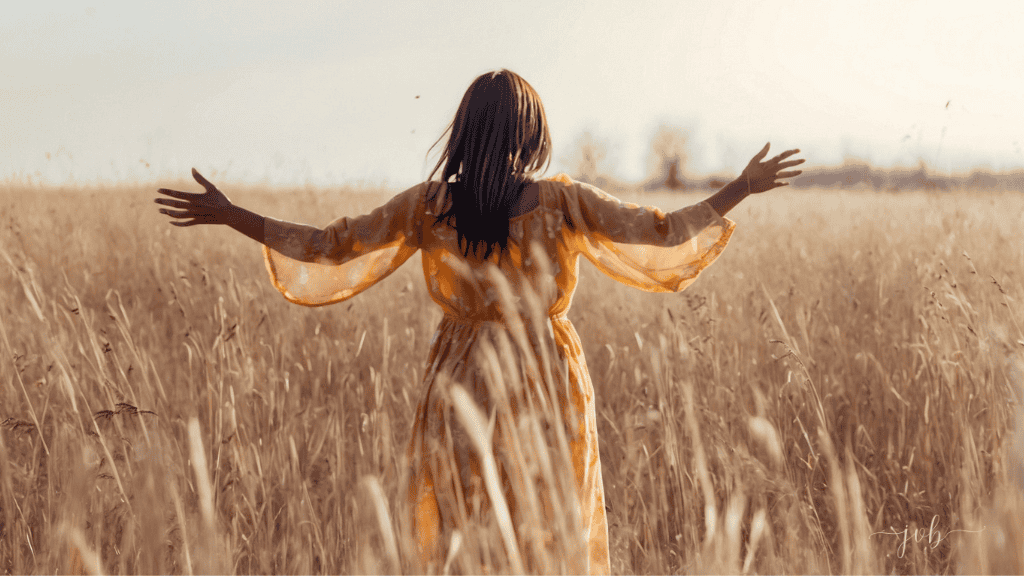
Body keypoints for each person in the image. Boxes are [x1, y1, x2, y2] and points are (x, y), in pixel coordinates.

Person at [155, 69, 803, 574]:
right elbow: (661, 234)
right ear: (533, 134)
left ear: (465, 130)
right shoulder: (563, 202)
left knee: (464, 538)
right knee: (547, 533)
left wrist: (233, 214)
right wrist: (740, 187)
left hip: (461, 381)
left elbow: (331, 245)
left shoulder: (429, 206)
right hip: (547, 381)